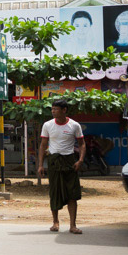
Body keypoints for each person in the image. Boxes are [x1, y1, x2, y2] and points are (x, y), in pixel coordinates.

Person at [38, 98, 86, 234]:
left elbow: (82, 144)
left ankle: (73, 225)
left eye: (56, 109)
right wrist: (41, 165)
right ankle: (55, 222)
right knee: (54, 192)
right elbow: (43, 145)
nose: (53, 112)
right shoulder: (47, 125)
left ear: (64, 110)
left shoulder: (74, 125)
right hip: (54, 161)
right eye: (52, 109)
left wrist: (80, 160)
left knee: (73, 194)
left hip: (70, 161)